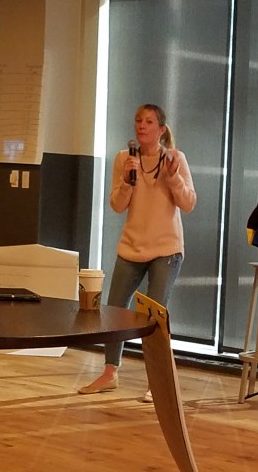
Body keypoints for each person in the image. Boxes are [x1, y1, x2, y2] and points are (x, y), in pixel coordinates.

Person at [78, 103, 197, 402]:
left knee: (154, 317)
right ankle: (110, 373)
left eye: (149, 121)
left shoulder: (175, 158)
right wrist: (126, 181)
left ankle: (156, 382)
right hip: (131, 246)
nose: (142, 126)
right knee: (115, 310)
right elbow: (117, 206)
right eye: (138, 121)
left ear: (161, 129)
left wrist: (173, 177)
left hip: (166, 249)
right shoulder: (124, 159)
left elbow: (188, 203)